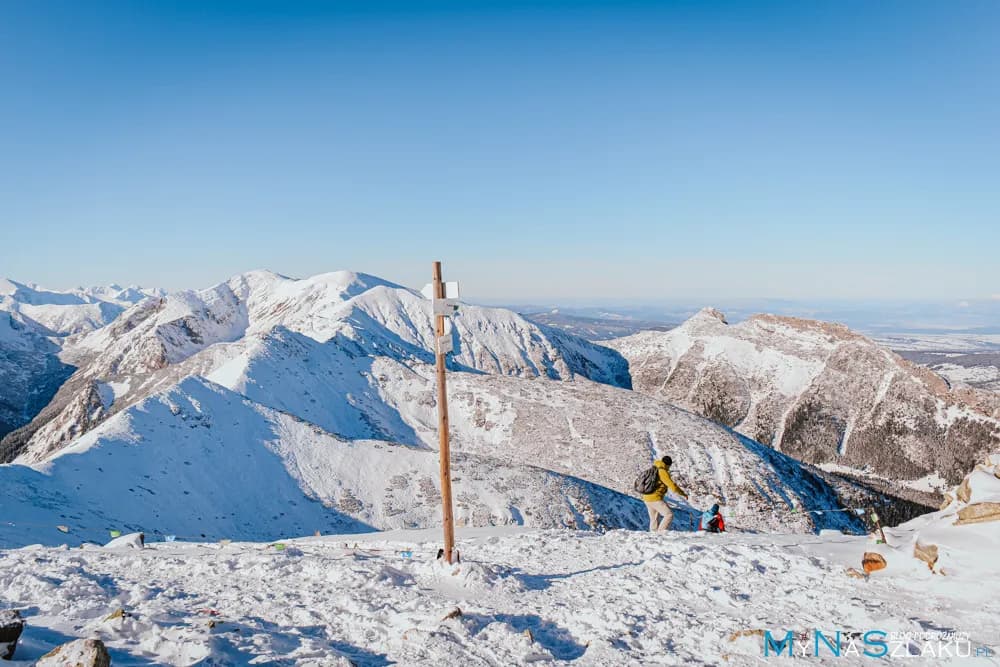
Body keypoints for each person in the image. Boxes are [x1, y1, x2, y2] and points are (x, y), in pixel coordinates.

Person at [641, 455, 688, 532]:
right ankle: (661, 533)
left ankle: (654, 537)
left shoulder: (654, 468)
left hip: (646, 497)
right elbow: (672, 486)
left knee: (654, 519)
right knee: (669, 515)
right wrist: (682, 493)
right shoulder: (662, 471)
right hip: (655, 498)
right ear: (669, 465)